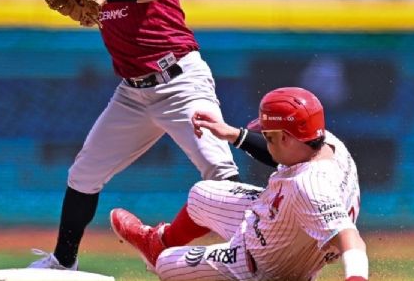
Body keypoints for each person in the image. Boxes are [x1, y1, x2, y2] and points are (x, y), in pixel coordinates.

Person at [28, 0, 240, 271]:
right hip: (133, 93)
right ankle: (62, 262)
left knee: (221, 175)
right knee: (84, 173)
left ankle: (262, 257)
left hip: (178, 82)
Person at [110, 87, 369, 281]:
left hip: (263, 262)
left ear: (287, 137)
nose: (266, 141)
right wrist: (233, 134)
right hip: (284, 224)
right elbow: (284, 152)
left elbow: (352, 240)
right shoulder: (327, 144)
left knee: (167, 265)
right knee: (202, 193)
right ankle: (158, 242)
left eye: (268, 136)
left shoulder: (311, 186)